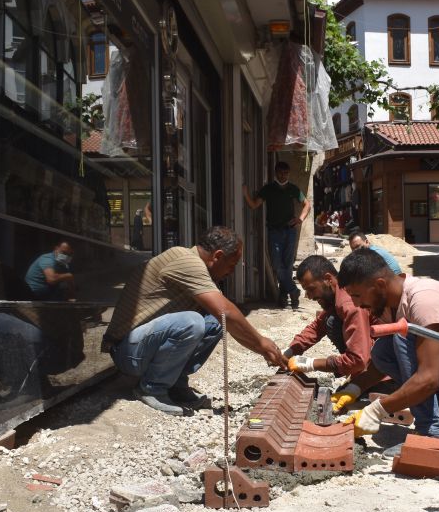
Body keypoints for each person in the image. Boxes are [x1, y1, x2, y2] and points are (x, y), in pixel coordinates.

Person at [102, 226, 287, 416]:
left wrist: (261, 349)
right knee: (193, 322)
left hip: (142, 348)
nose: (231, 272)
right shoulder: (186, 261)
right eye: (232, 265)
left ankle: (175, 383)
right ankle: (152, 388)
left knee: (214, 323)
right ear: (218, 256)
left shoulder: (200, 272)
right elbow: (227, 312)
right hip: (127, 352)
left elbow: (226, 321)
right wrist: (262, 343)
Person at [336, 248, 439, 456]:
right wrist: (354, 388)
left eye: (357, 295)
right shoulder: (390, 305)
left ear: (379, 284)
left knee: (405, 335)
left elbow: (430, 378)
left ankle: (431, 435)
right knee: (383, 350)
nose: (356, 304)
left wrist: (377, 410)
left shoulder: (422, 299)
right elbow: (383, 363)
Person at [281, 255, 372, 378]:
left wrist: (311, 363)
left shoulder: (349, 304)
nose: (309, 296)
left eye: (311, 289)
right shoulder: (337, 294)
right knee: (330, 320)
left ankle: (362, 376)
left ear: (328, 279)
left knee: (332, 322)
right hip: (368, 361)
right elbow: (317, 327)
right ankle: (356, 373)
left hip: (380, 370)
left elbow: (359, 359)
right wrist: (289, 351)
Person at [243, 161, 311, 309]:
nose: (283, 175)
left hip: (290, 231)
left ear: (289, 173)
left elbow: (307, 204)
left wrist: (300, 219)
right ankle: (293, 291)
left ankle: (284, 295)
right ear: (275, 173)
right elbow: (254, 205)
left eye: (285, 173)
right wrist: (245, 194)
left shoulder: (293, 189)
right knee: (277, 264)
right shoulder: (269, 189)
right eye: (280, 173)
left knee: (287, 265)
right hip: (274, 231)